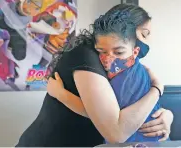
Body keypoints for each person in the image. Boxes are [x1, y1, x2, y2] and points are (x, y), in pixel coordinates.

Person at [16, 4, 173, 147]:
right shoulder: (86, 55)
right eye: (144, 34)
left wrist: (166, 116)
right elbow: (115, 132)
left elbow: (129, 103)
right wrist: (157, 89)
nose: (147, 42)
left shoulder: (126, 64)